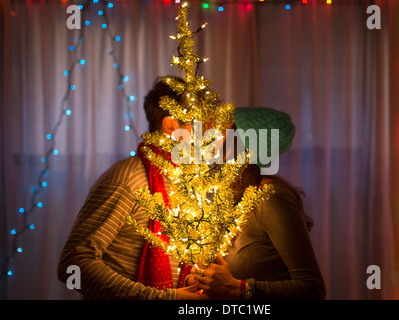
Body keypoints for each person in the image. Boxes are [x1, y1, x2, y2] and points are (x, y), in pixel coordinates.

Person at [57, 76, 207, 300]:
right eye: (200, 123)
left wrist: (188, 280)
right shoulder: (128, 178)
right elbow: (72, 267)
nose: (208, 133)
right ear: (172, 125)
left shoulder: (187, 182)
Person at [191, 107, 326, 300]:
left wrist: (238, 288)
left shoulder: (270, 199)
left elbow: (313, 290)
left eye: (222, 130)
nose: (210, 135)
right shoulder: (229, 197)